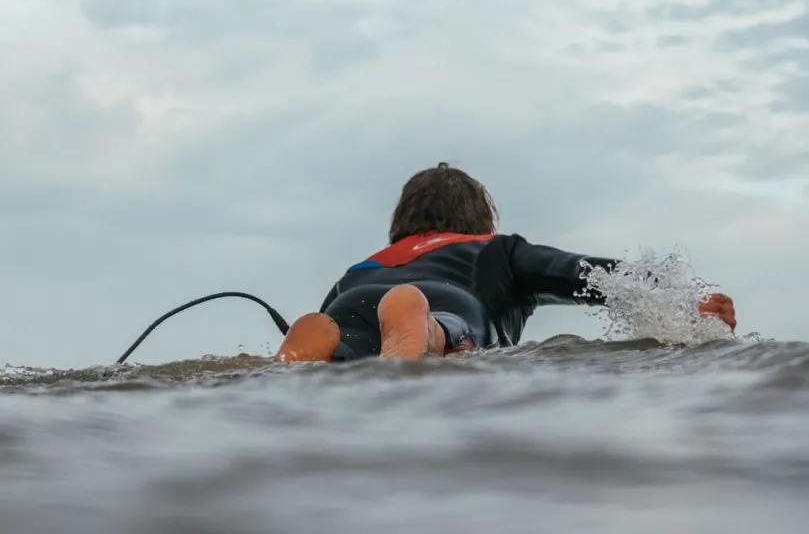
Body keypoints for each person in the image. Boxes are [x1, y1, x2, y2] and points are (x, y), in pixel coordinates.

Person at [274, 163, 737, 363]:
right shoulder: (495, 250)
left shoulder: (359, 269)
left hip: (351, 301)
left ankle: (318, 341)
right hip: (440, 304)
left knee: (347, 346)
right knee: (443, 330)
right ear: (478, 219)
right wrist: (683, 299)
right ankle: (429, 329)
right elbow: (589, 274)